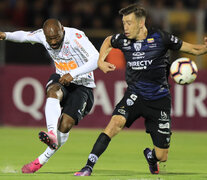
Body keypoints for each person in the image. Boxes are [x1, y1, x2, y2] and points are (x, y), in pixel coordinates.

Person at [74, 4, 207, 176]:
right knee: (115, 123)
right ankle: (88, 166)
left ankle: (151, 157)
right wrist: (100, 61)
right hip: (135, 95)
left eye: (129, 23)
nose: (125, 27)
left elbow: (193, 49)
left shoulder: (160, 38)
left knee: (162, 156)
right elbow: (108, 40)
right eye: (123, 23)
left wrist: (204, 48)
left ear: (141, 22)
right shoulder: (122, 40)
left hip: (159, 100)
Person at [0, 18, 99, 173]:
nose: (53, 42)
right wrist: (5, 35)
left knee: (66, 124)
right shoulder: (42, 35)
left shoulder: (76, 37)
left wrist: (73, 74)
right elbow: (24, 36)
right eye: (49, 39)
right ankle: (51, 133)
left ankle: (41, 160)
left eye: (56, 38)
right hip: (61, 78)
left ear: (63, 31)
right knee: (53, 91)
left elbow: (97, 59)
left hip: (83, 85)